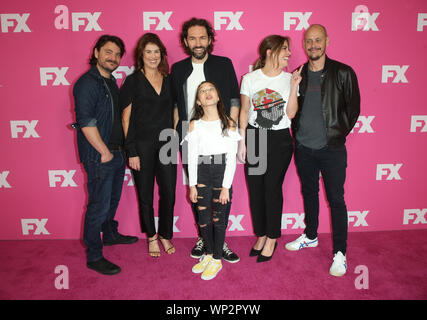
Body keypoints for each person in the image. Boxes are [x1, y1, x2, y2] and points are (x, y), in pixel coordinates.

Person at [284, 24, 360, 277]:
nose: (313, 45)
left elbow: (353, 110)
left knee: (336, 199)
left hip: (332, 149)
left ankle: (340, 252)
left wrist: (336, 135)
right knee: (309, 193)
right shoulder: (298, 74)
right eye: (308, 41)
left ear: (327, 41)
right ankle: (310, 235)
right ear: (304, 44)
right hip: (304, 147)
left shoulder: (343, 72)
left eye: (318, 40)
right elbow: (292, 109)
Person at [170, 17, 241, 263]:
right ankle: (204, 237)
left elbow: (233, 99)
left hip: (221, 136)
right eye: (192, 38)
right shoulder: (177, 69)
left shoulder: (223, 64)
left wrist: (231, 127)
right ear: (186, 41)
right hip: (191, 139)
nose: (198, 42)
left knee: (223, 188)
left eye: (202, 37)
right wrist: (176, 135)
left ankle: (220, 241)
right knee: (197, 189)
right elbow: (176, 105)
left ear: (209, 39)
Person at [73, 35, 138, 275]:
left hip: (116, 152)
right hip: (101, 155)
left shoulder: (110, 81)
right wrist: (103, 152)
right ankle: (94, 255)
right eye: (108, 52)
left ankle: (109, 234)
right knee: (98, 205)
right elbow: (86, 121)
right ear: (97, 52)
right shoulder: (88, 82)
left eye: (118, 54)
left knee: (111, 201)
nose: (113, 58)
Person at [238, 35, 301, 263]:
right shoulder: (250, 78)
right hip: (255, 136)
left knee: (272, 188)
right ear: (268, 51)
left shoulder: (290, 78)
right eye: (284, 49)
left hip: (280, 140)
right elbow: (244, 112)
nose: (289, 54)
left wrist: (294, 87)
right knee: (256, 190)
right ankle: (262, 233)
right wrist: (243, 141)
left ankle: (273, 237)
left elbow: (291, 113)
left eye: (288, 50)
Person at [120, 33, 177, 258]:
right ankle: (152, 237)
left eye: (156, 51)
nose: (153, 56)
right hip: (141, 145)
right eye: (148, 52)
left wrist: (173, 132)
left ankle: (165, 234)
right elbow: (126, 118)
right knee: (145, 195)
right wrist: (131, 150)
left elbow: (175, 108)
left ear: (161, 54)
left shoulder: (169, 78)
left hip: (167, 144)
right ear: (141, 55)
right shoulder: (132, 81)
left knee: (169, 193)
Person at [182, 81, 241, 280]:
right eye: (202, 91)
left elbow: (231, 159)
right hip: (201, 171)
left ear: (217, 96)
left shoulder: (229, 122)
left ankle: (217, 259)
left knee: (219, 219)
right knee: (204, 219)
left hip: (221, 171)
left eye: (211, 89)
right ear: (198, 101)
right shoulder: (194, 124)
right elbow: (191, 157)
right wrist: (192, 185)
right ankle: (208, 254)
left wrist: (226, 187)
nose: (207, 93)